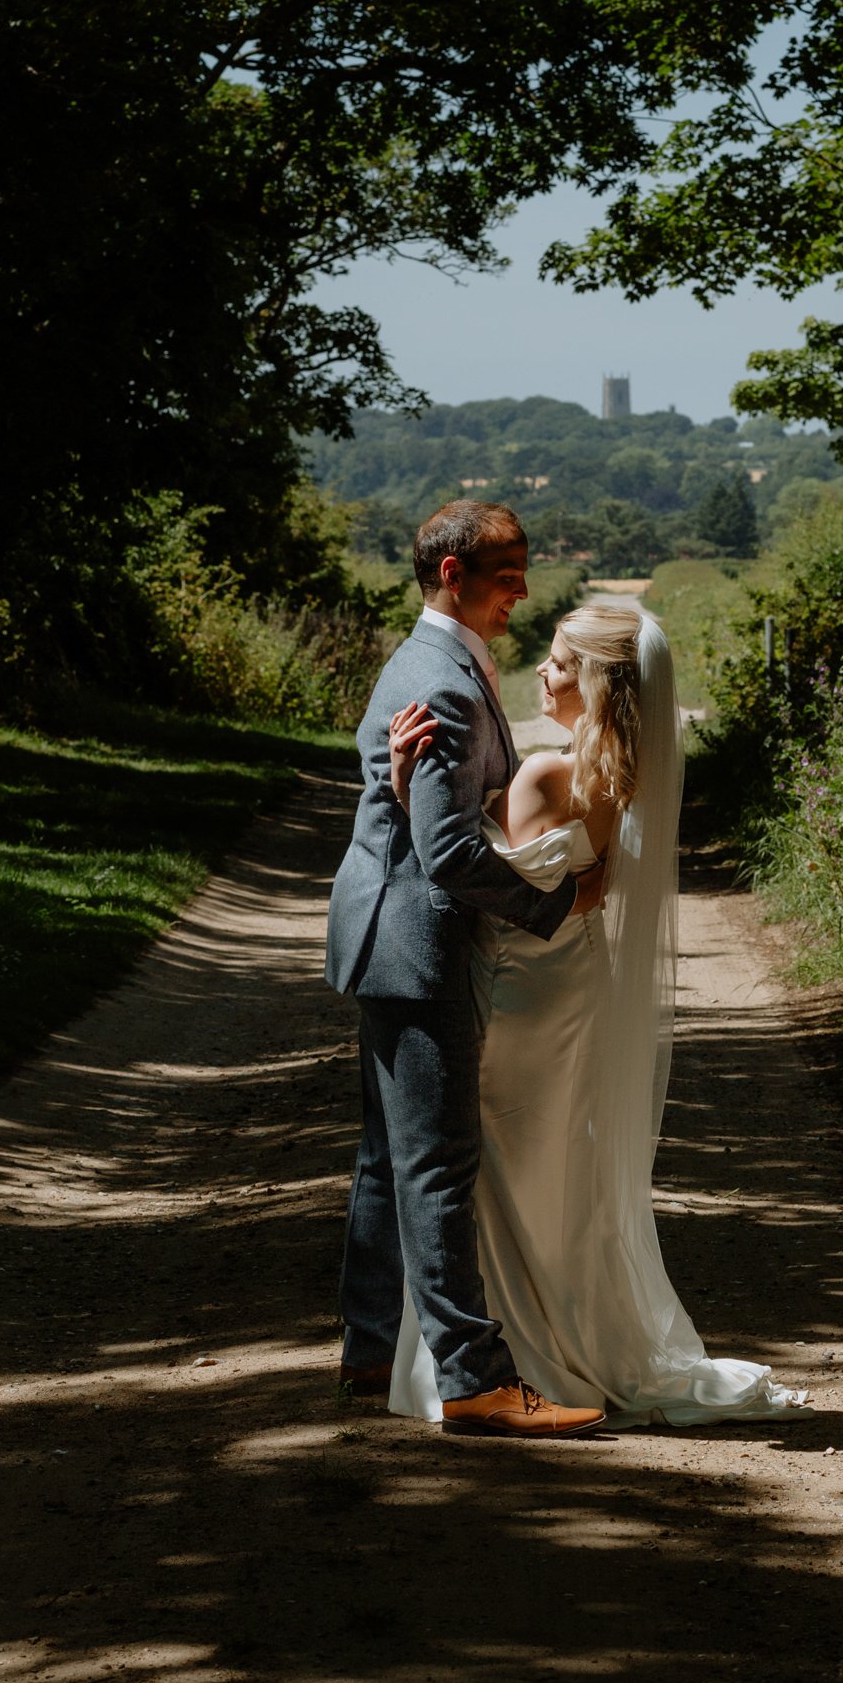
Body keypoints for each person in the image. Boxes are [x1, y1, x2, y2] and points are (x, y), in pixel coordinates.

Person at [385, 601, 806, 1427]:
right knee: (549, 1170)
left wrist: (409, 788)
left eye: (559, 663)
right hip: (571, 980)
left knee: (497, 1173)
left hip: (521, 988)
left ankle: (521, 1357)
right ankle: (556, 1338)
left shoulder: (546, 773)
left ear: (597, 682)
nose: (541, 674)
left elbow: (470, 877)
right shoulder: (618, 774)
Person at [325, 500, 607, 1438]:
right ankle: (475, 1382)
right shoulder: (440, 681)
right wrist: (557, 902)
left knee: (387, 1159)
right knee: (439, 1162)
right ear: (453, 575)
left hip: (387, 934)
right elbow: (447, 853)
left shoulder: (441, 666)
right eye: (507, 571)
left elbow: (446, 814)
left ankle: (371, 1351)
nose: (522, 587)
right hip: (417, 941)